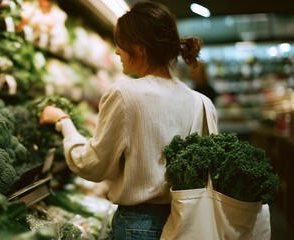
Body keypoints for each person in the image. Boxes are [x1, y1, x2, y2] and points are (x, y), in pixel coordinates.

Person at [39, 1, 217, 239]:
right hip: (190, 223)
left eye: (120, 44)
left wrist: (64, 122)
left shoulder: (124, 95)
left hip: (139, 226)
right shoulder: (202, 103)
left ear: (140, 48)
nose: (116, 52)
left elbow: (91, 165)